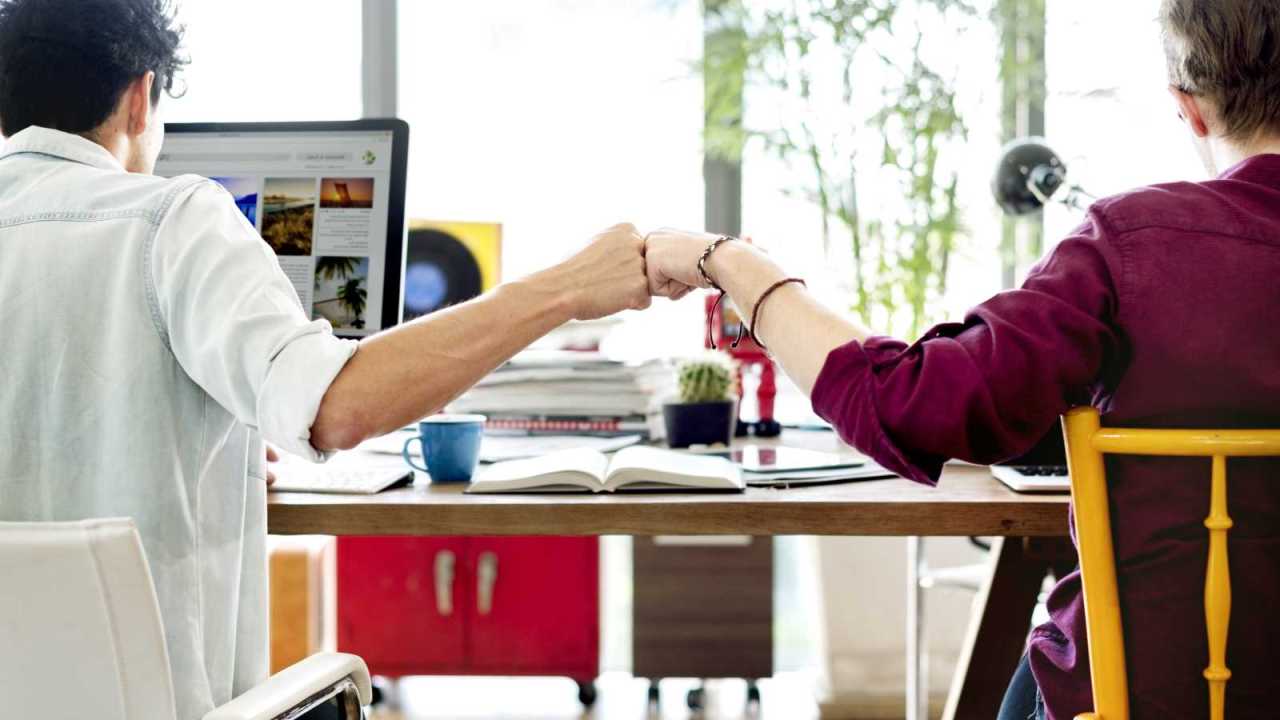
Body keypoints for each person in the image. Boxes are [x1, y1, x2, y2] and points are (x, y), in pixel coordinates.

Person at [0, 0, 649, 717]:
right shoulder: (170, 220)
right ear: (139, 96)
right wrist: (565, 288)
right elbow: (337, 408)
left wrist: (216, 449)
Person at [645, 0, 1280, 717]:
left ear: (1189, 109)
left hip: (1150, 698)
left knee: (1048, 665)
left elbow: (903, 405)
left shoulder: (1135, 245)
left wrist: (731, 264)